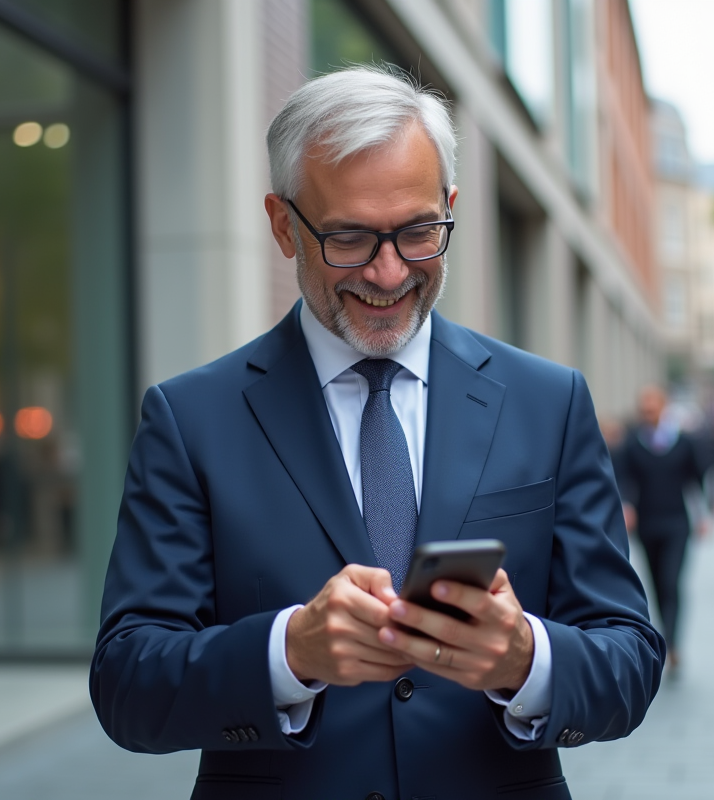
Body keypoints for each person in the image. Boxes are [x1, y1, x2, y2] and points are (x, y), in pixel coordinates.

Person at [91, 66, 663, 799]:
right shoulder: (189, 418)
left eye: (420, 232)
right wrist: (287, 652)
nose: (390, 273)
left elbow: (631, 661)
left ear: (450, 207)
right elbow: (126, 683)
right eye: (351, 238)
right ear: (282, 225)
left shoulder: (550, 402)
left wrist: (527, 658)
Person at [616, 386, 707, 674]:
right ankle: (666, 634)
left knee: (671, 581)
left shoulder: (683, 442)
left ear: (664, 408)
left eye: (653, 407)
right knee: (655, 583)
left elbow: (697, 478)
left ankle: (673, 641)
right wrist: (627, 505)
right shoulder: (632, 444)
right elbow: (624, 479)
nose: (648, 413)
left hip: (678, 522)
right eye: (644, 408)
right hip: (647, 523)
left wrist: (704, 514)